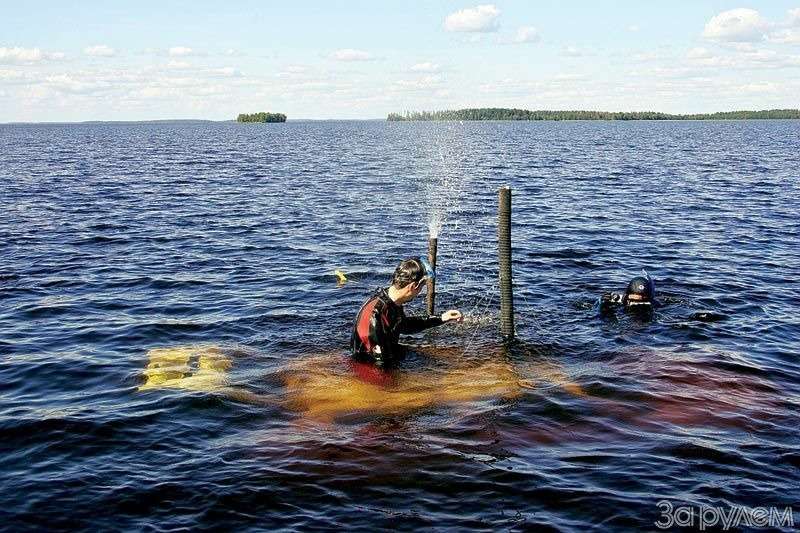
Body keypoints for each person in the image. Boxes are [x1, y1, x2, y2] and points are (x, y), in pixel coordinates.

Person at [350, 257, 462, 369]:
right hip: (367, 369)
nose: (419, 292)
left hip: (386, 355)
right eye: (421, 287)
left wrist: (441, 318)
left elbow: (404, 325)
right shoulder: (374, 314)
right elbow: (379, 361)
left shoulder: (392, 302)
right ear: (413, 286)